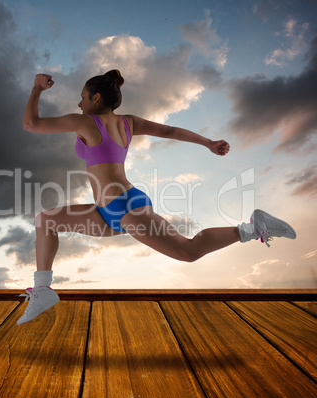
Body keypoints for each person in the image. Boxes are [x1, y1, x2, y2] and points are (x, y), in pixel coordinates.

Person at [17, 70, 296, 325]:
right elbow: (170, 131)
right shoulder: (128, 123)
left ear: (96, 97)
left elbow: (30, 124)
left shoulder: (84, 122)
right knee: (46, 220)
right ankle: (42, 289)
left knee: (189, 251)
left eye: (82, 98)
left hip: (127, 207)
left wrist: (36, 89)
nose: (79, 104)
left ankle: (254, 227)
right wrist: (208, 143)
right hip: (105, 212)